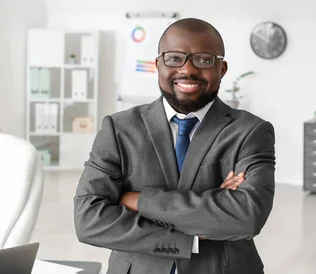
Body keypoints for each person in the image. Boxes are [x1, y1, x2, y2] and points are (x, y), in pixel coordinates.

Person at [74, 17, 275, 274]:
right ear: (158, 65)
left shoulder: (250, 131)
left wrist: (139, 200)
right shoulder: (119, 128)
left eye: (203, 59)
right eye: (174, 58)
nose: (188, 70)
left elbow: (247, 217)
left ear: (222, 69)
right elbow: (88, 220)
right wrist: (195, 229)